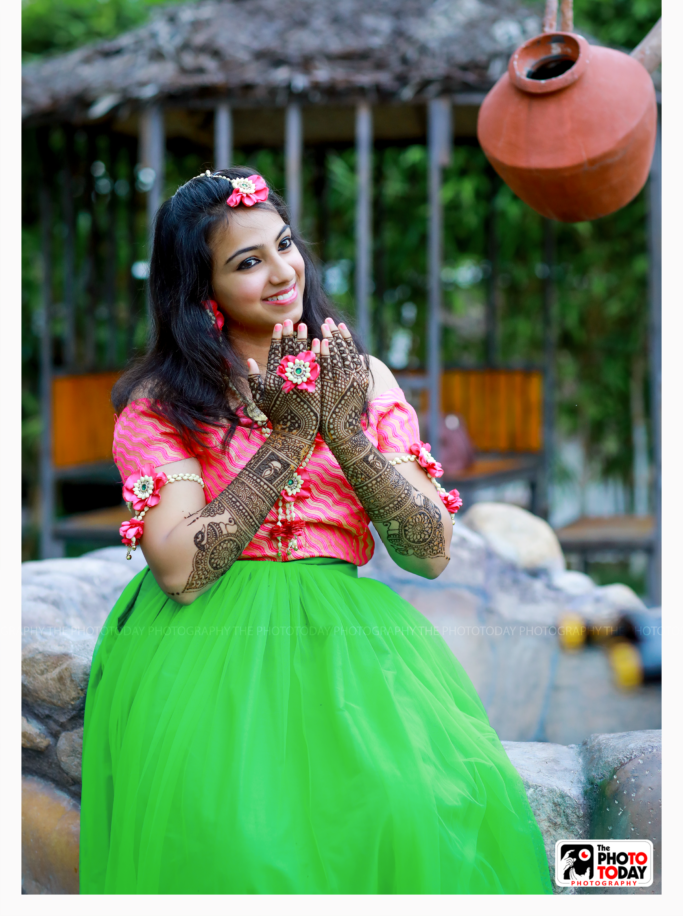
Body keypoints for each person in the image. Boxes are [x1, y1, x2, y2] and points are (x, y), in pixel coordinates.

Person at [79, 167, 552, 894]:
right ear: (201, 293)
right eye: (247, 262)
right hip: (202, 649)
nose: (281, 273)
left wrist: (343, 430)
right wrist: (289, 440)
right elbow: (179, 569)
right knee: (233, 843)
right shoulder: (163, 404)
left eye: (284, 245)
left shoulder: (365, 379)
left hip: (349, 647)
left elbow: (428, 552)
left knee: (410, 809)